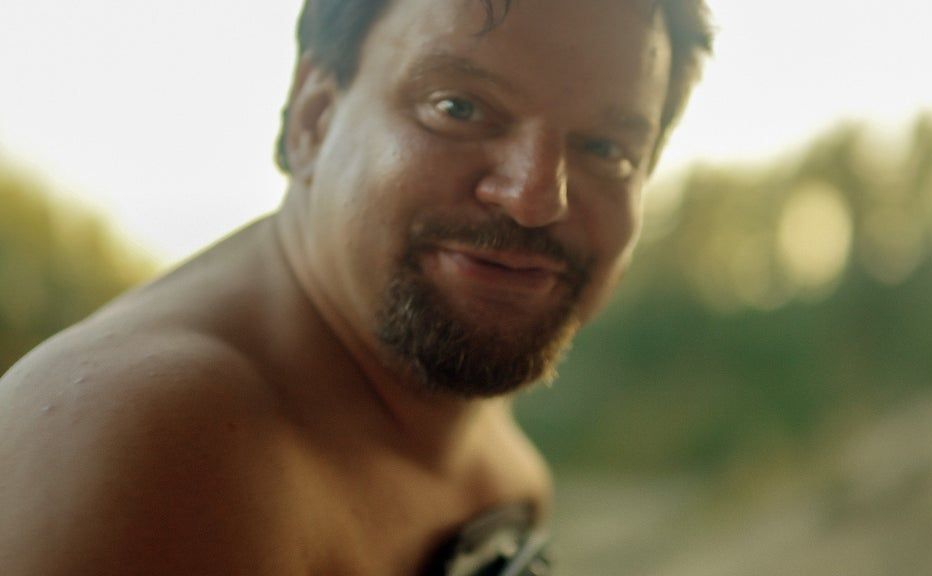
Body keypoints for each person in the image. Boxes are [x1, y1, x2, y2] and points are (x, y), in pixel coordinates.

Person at [0, 0, 712, 573]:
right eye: (458, 109)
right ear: (313, 119)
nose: (534, 199)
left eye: (607, 149)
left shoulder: (432, 383)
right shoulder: (151, 450)